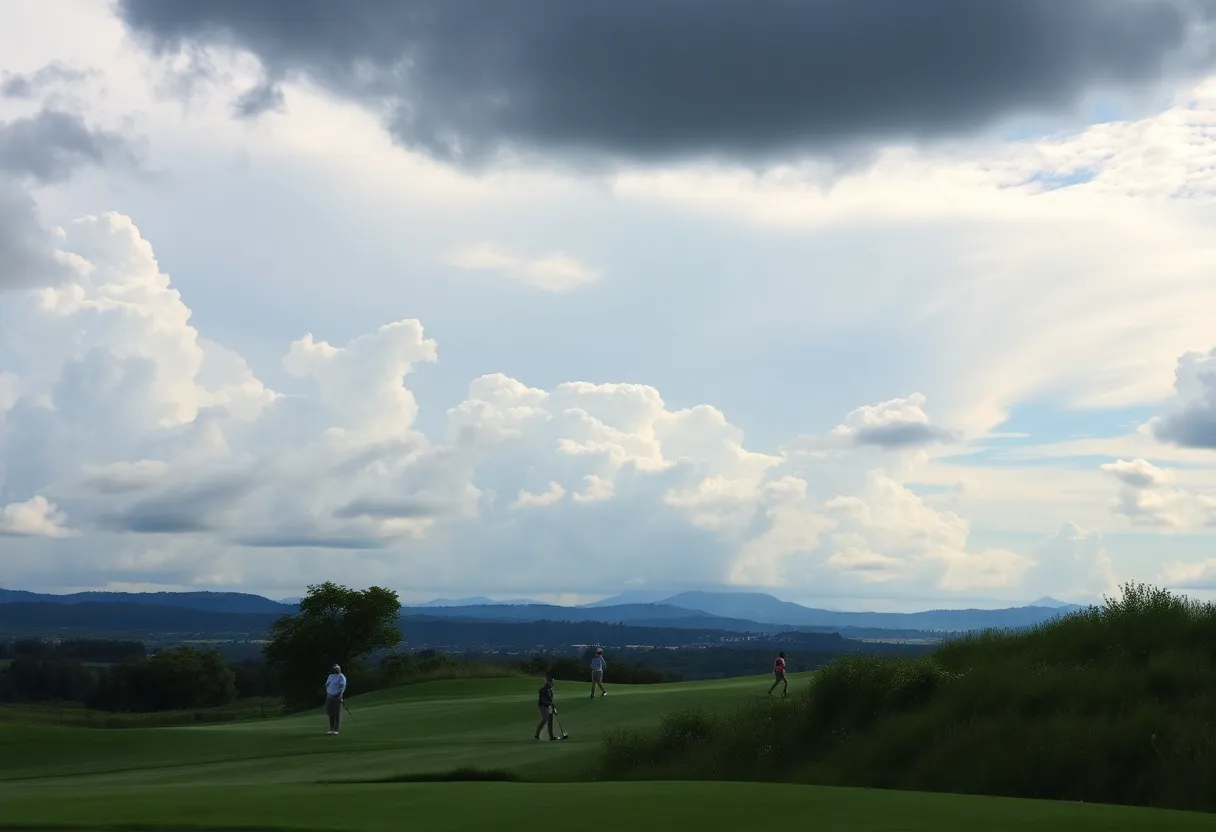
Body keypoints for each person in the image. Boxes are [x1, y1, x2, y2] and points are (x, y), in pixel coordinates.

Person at [535, 674, 565, 740]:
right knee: (545, 719)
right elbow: (543, 700)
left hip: (548, 706)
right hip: (543, 706)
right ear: (549, 682)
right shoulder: (543, 690)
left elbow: (550, 700)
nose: (554, 684)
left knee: (550, 719)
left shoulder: (550, 690)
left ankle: (551, 736)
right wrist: (550, 704)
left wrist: (553, 708)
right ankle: (537, 734)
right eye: (553, 682)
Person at [325, 663, 347, 735]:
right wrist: (328, 693)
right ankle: (331, 729)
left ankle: (336, 729)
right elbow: (327, 685)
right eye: (334, 669)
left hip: (337, 696)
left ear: (339, 669)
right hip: (329, 696)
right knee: (330, 713)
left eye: (336, 669)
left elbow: (342, 686)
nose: (335, 670)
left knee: (336, 713)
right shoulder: (331, 676)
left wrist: (340, 696)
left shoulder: (341, 676)